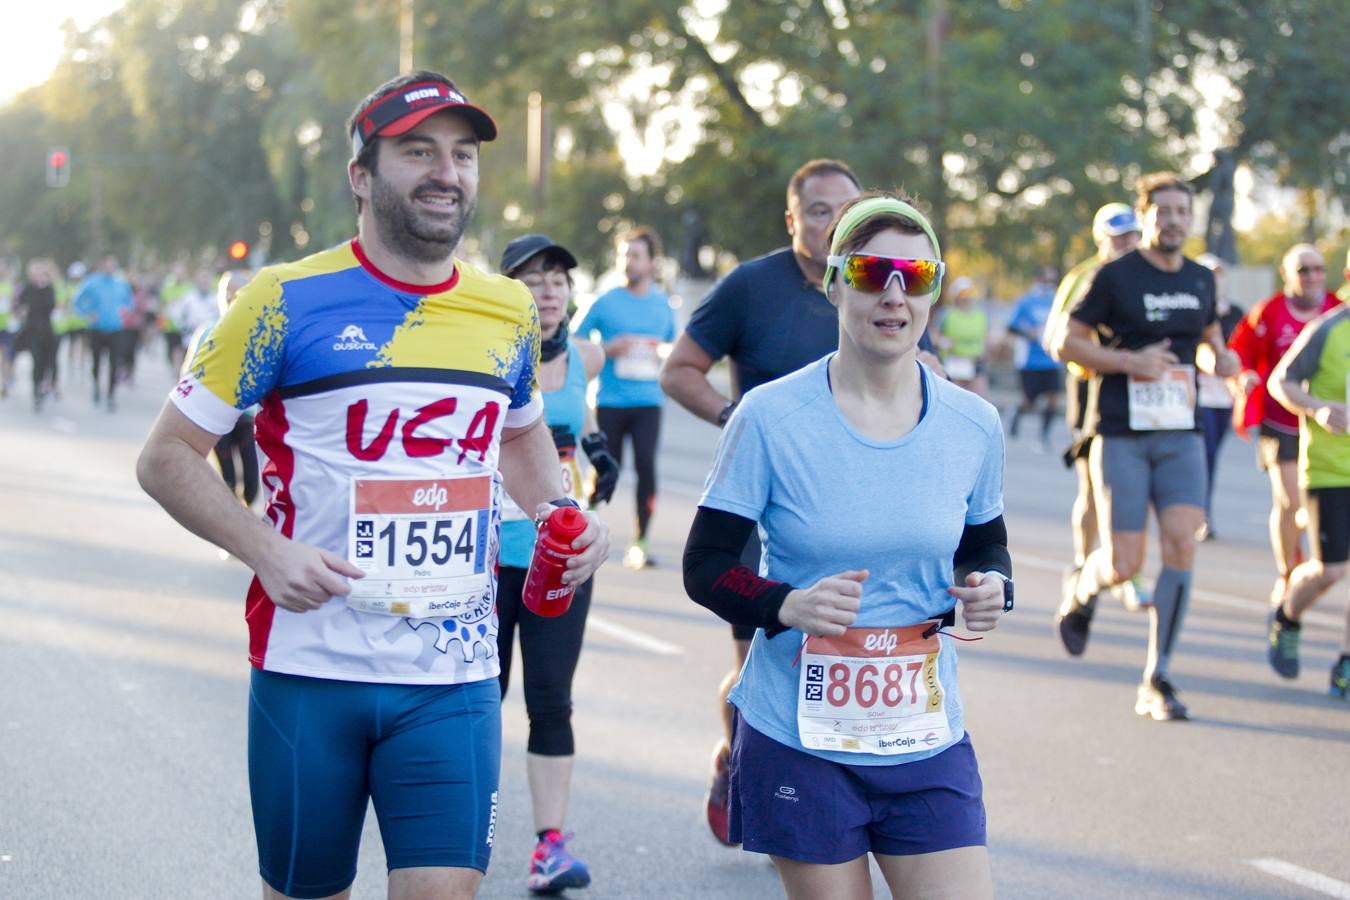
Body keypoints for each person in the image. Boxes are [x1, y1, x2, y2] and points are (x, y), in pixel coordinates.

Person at [136, 70, 610, 900]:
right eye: (417, 151)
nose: (446, 171)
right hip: (310, 668)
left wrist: (560, 510)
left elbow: (523, 435)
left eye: (462, 154)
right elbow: (166, 455)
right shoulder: (281, 301)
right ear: (361, 175)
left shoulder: (504, 311)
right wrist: (264, 549)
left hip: (454, 676)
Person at [683, 192, 1010, 897]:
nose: (893, 295)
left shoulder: (973, 424)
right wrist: (787, 604)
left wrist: (991, 589)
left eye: (915, 277)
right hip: (801, 739)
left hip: (923, 737)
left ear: (934, 292)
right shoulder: (770, 416)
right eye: (870, 273)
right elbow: (705, 565)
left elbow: (986, 546)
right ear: (834, 283)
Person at [659, 158, 863, 845]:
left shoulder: (875, 284)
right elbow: (680, 369)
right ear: (792, 218)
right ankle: (735, 754)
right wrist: (734, 421)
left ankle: (827, 791)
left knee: (846, 655)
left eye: (845, 209)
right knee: (757, 662)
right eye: (817, 210)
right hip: (762, 506)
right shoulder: (751, 285)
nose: (832, 223)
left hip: (853, 503)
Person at [1051, 172, 1240, 721]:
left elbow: (1207, 343)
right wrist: (1130, 362)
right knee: (1123, 561)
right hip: (1121, 433)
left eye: (1184, 211)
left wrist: (1219, 362)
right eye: (1165, 211)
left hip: (1181, 432)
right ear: (1147, 217)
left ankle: (1157, 677)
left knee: (1183, 545)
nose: (1176, 219)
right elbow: (1068, 341)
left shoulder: (1203, 279)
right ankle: (1084, 591)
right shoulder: (1115, 277)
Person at [494, 234, 620, 894]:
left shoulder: (583, 359)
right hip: (486, 559)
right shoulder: (482, 356)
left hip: (559, 558)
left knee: (551, 699)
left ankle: (549, 847)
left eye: (558, 280)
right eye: (533, 278)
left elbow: (575, 421)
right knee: (481, 700)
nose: (548, 290)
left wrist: (599, 454)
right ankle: (464, 830)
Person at [1044, 203, 1145, 606]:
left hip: (1139, 392)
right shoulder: (1083, 276)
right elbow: (1055, 337)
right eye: (1118, 237)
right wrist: (1087, 360)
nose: (1127, 244)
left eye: (1132, 236)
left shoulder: (1148, 272)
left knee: (1136, 489)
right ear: (1100, 239)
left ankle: (1127, 570)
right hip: (1092, 390)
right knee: (1092, 486)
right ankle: (1085, 561)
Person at [1228, 244, 1340, 604]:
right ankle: (1288, 571)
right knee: (1291, 502)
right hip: (1281, 421)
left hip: (1325, 430)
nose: (1312, 277)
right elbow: (1239, 351)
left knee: (1306, 508)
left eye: (1318, 269)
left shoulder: (1337, 310)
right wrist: (1243, 376)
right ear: (1287, 274)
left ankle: (1310, 551)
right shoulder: (1269, 312)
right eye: (1304, 270)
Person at [575, 226, 676, 569]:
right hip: (610, 402)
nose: (627, 262)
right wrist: (607, 349)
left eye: (635, 255)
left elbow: (672, 345)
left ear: (651, 263)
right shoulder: (604, 302)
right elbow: (575, 340)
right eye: (623, 255)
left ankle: (641, 542)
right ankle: (580, 531)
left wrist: (660, 352)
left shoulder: (663, 304)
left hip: (648, 401)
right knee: (605, 467)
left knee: (647, 467)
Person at [1266, 304, 1350, 698]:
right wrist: (1317, 409)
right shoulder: (1328, 329)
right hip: (1330, 470)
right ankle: (1287, 614)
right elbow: (1281, 381)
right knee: (1329, 571)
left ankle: (1346, 664)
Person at [181, 269, 260, 511]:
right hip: (215, 414)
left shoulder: (259, 331)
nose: (230, 296)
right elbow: (189, 372)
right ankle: (234, 528)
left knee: (251, 480)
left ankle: (246, 512)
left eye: (236, 292)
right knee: (227, 475)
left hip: (247, 414)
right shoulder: (207, 331)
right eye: (226, 291)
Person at [1193, 253, 1243, 540]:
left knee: (1213, 456)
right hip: (1199, 395)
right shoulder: (1193, 306)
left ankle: (1201, 513)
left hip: (1225, 396)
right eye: (1209, 272)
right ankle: (1200, 516)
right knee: (1204, 456)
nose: (1215, 278)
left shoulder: (1234, 312)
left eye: (1219, 273)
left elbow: (1243, 348)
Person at [1007, 266, 1063, 450]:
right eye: (1046, 281)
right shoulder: (1026, 302)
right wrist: (1027, 333)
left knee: (1053, 398)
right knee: (1030, 400)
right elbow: (1011, 326)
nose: (1049, 285)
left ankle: (1043, 436)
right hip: (1029, 360)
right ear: (1038, 280)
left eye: (1051, 281)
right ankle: (1016, 412)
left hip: (1052, 358)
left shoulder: (1057, 301)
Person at [73, 254, 133, 411]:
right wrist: (87, 313)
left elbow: (129, 302)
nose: (109, 268)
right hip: (97, 328)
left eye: (112, 265)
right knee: (96, 361)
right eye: (106, 265)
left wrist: (125, 312)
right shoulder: (92, 282)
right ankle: (96, 386)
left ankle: (111, 394)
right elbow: (77, 301)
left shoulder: (121, 283)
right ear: (101, 265)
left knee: (115, 362)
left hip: (116, 328)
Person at [15, 258, 60, 412]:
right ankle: (36, 392)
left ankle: (45, 385)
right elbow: (19, 306)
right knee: (37, 362)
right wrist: (21, 311)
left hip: (47, 331)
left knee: (48, 362)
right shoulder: (28, 289)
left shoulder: (50, 289)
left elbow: (53, 306)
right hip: (32, 331)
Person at [935, 275, 990, 397]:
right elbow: (935, 336)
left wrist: (985, 353)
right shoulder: (946, 314)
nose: (966, 298)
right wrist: (943, 342)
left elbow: (985, 337)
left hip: (975, 362)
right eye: (962, 294)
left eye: (969, 293)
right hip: (953, 362)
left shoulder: (980, 316)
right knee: (953, 398)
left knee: (980, 400)